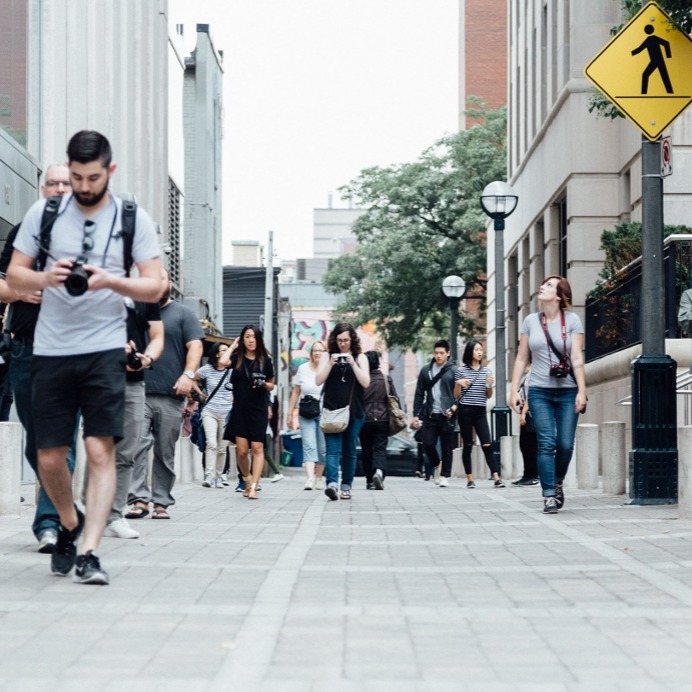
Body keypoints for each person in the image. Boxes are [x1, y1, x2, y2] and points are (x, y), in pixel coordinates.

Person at [7, 131, 162, 584]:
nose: (82, 186)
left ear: (109, 171)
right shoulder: (46, 212)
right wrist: (44, 278)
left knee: (99, 448)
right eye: (75, 177)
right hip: (51, 349)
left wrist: (112, 282)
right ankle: (70, 524)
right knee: (50, 456)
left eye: (92, 177)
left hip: (104, 348)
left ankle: (90, 551)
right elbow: (14, 273)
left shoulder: (132, 217)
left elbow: (156, 285)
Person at [0, 164, 77, 553]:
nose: (60, 189)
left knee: (60, 439)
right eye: (53, 183)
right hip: (26, 349)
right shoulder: (22, 233)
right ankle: (64, 506)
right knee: (38, 442)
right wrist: (20, 291)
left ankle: (51, 522)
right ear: (41, 187)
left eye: (67, 183)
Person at [127, 268, 204, 520]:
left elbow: (196, 345)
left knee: (164, 450)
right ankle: (139, 499)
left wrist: (188, 375)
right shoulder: (134, 312)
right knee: (136, 446)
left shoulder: (183, 314)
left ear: (169, 283)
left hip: (172, 394)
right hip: (137, 390)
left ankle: (161, 501)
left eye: (161, 278)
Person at [509, 275, 587, 514]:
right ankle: (549, 495)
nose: (542, 286)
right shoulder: (530, 321)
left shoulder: (572, 320)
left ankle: (557, 481)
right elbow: (522, 357)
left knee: (564, 445)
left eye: (550, 285)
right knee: (546, 443)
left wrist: (582, 390)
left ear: (561, 295)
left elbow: (576, 357)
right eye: (543, 283)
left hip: (567, 391)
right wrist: (513, 390)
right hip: (539, 391)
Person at [103, 298, 164, 538]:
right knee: (100, 449)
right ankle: (92, 512)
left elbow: (158, 336)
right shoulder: (93, 284)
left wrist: (144, 359)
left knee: (127, 452)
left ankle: (114, 516)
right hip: (98, 377)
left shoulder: (144, 294)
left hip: (133, 382)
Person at [315, 322, 370, 501]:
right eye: (339, 340)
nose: (343, 344)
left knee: (349, 450)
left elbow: (366, 382)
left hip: (354, 411)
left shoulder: (360, 358)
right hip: (331, 410)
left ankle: (346, 486)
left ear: (352, 340)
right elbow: (318, 380)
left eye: (346, 340)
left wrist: (353, 364)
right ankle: (332, 484)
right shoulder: (327, 356)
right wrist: (330, 364)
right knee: (332, 450)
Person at [220, 324, 275, 500]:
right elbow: (222, 362)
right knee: (242, 451)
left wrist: (263, 384)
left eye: (254, 337)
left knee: (257, 447)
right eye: (247, 337)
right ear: (242, 339)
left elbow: (272, 384)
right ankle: (247, 478)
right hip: (240, 410)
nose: (251, 340)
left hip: (258, 408)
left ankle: (254, 487)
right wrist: (233, 346)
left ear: (259, 340)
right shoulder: (237, 358)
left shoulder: (265, 360)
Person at [451, 340, 505, 489]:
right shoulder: (461, 371)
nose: (480, 352)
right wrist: (458, 383)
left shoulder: (487, 371)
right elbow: (456, 396)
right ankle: (469, 479)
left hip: (480, 411)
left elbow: (488, 395)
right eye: (476, 350)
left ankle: (496, 477)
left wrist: (489, 385)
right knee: (468, 444)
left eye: (481, 350)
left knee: (487, 444)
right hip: (465, 411)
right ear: (470, 352)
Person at [411, 339, 456, 487]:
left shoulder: (454, 370)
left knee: (447, 447)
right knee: (428, 443)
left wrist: (454, 408)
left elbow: (460, 393)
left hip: (447, 414)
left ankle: (444, 476)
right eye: (436, 353)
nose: (438, 356)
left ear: (448, 353)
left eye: (442, 353)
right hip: (430, 414)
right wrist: (416, 414)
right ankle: (438, 464)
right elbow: (419, 393)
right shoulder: (426, 370)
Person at [286, 340, 327, 490]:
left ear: (325, 353)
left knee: (322, 449)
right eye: (315, 350)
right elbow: (296, 392)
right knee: (309, 445)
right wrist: (289, 413)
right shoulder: (303, 368)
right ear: (311, 353)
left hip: (324, 413)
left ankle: (319, 478)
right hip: (307, 412)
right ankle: (309, 479)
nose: (317, 353)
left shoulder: (328, 369)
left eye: (321, 351)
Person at [194, 342, 233, 489]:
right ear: (217, 354)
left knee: (222, 447)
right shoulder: (207, 369)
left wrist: (235, 396)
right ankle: (209, 476)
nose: (226, 352)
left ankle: (218, 476)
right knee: (212, 443)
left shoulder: (232, 371)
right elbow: (192, 378)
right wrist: (201, 393)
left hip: (226, 413)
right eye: (223, 350)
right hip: (210, 411)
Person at [360, 350, 396, 490]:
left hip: (364, 420)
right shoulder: (386, 379)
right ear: (378, 363)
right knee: (380, 449)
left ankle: (369, 480)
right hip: (382, 419)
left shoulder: (362, 380)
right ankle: (379, 472)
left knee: (366, 450)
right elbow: (394, 399)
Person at [511, 368, 539, 486]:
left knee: (531, 445)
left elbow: (532, 393)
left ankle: (533, 476)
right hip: (526, 410)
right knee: (524, 445)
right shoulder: (529, 371)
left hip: (531, 412)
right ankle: (527, 475)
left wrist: (524, 412)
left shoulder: (536, 370)